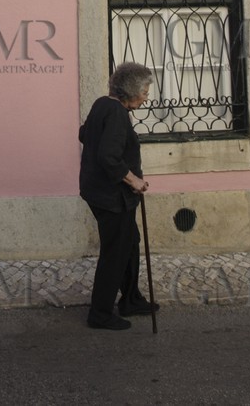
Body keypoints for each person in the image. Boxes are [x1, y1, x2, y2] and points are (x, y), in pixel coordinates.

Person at [78, 62, 159, 330]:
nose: (147, 97)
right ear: (131, 91)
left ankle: (131, 298)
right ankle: (100, 313)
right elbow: (108, 157)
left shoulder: (103, 104)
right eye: (145, 92)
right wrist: (134, 180)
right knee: (115, 252)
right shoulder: (116, 113)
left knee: (130, 241)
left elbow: (84, 134)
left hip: (99, 192)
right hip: (113, 198)